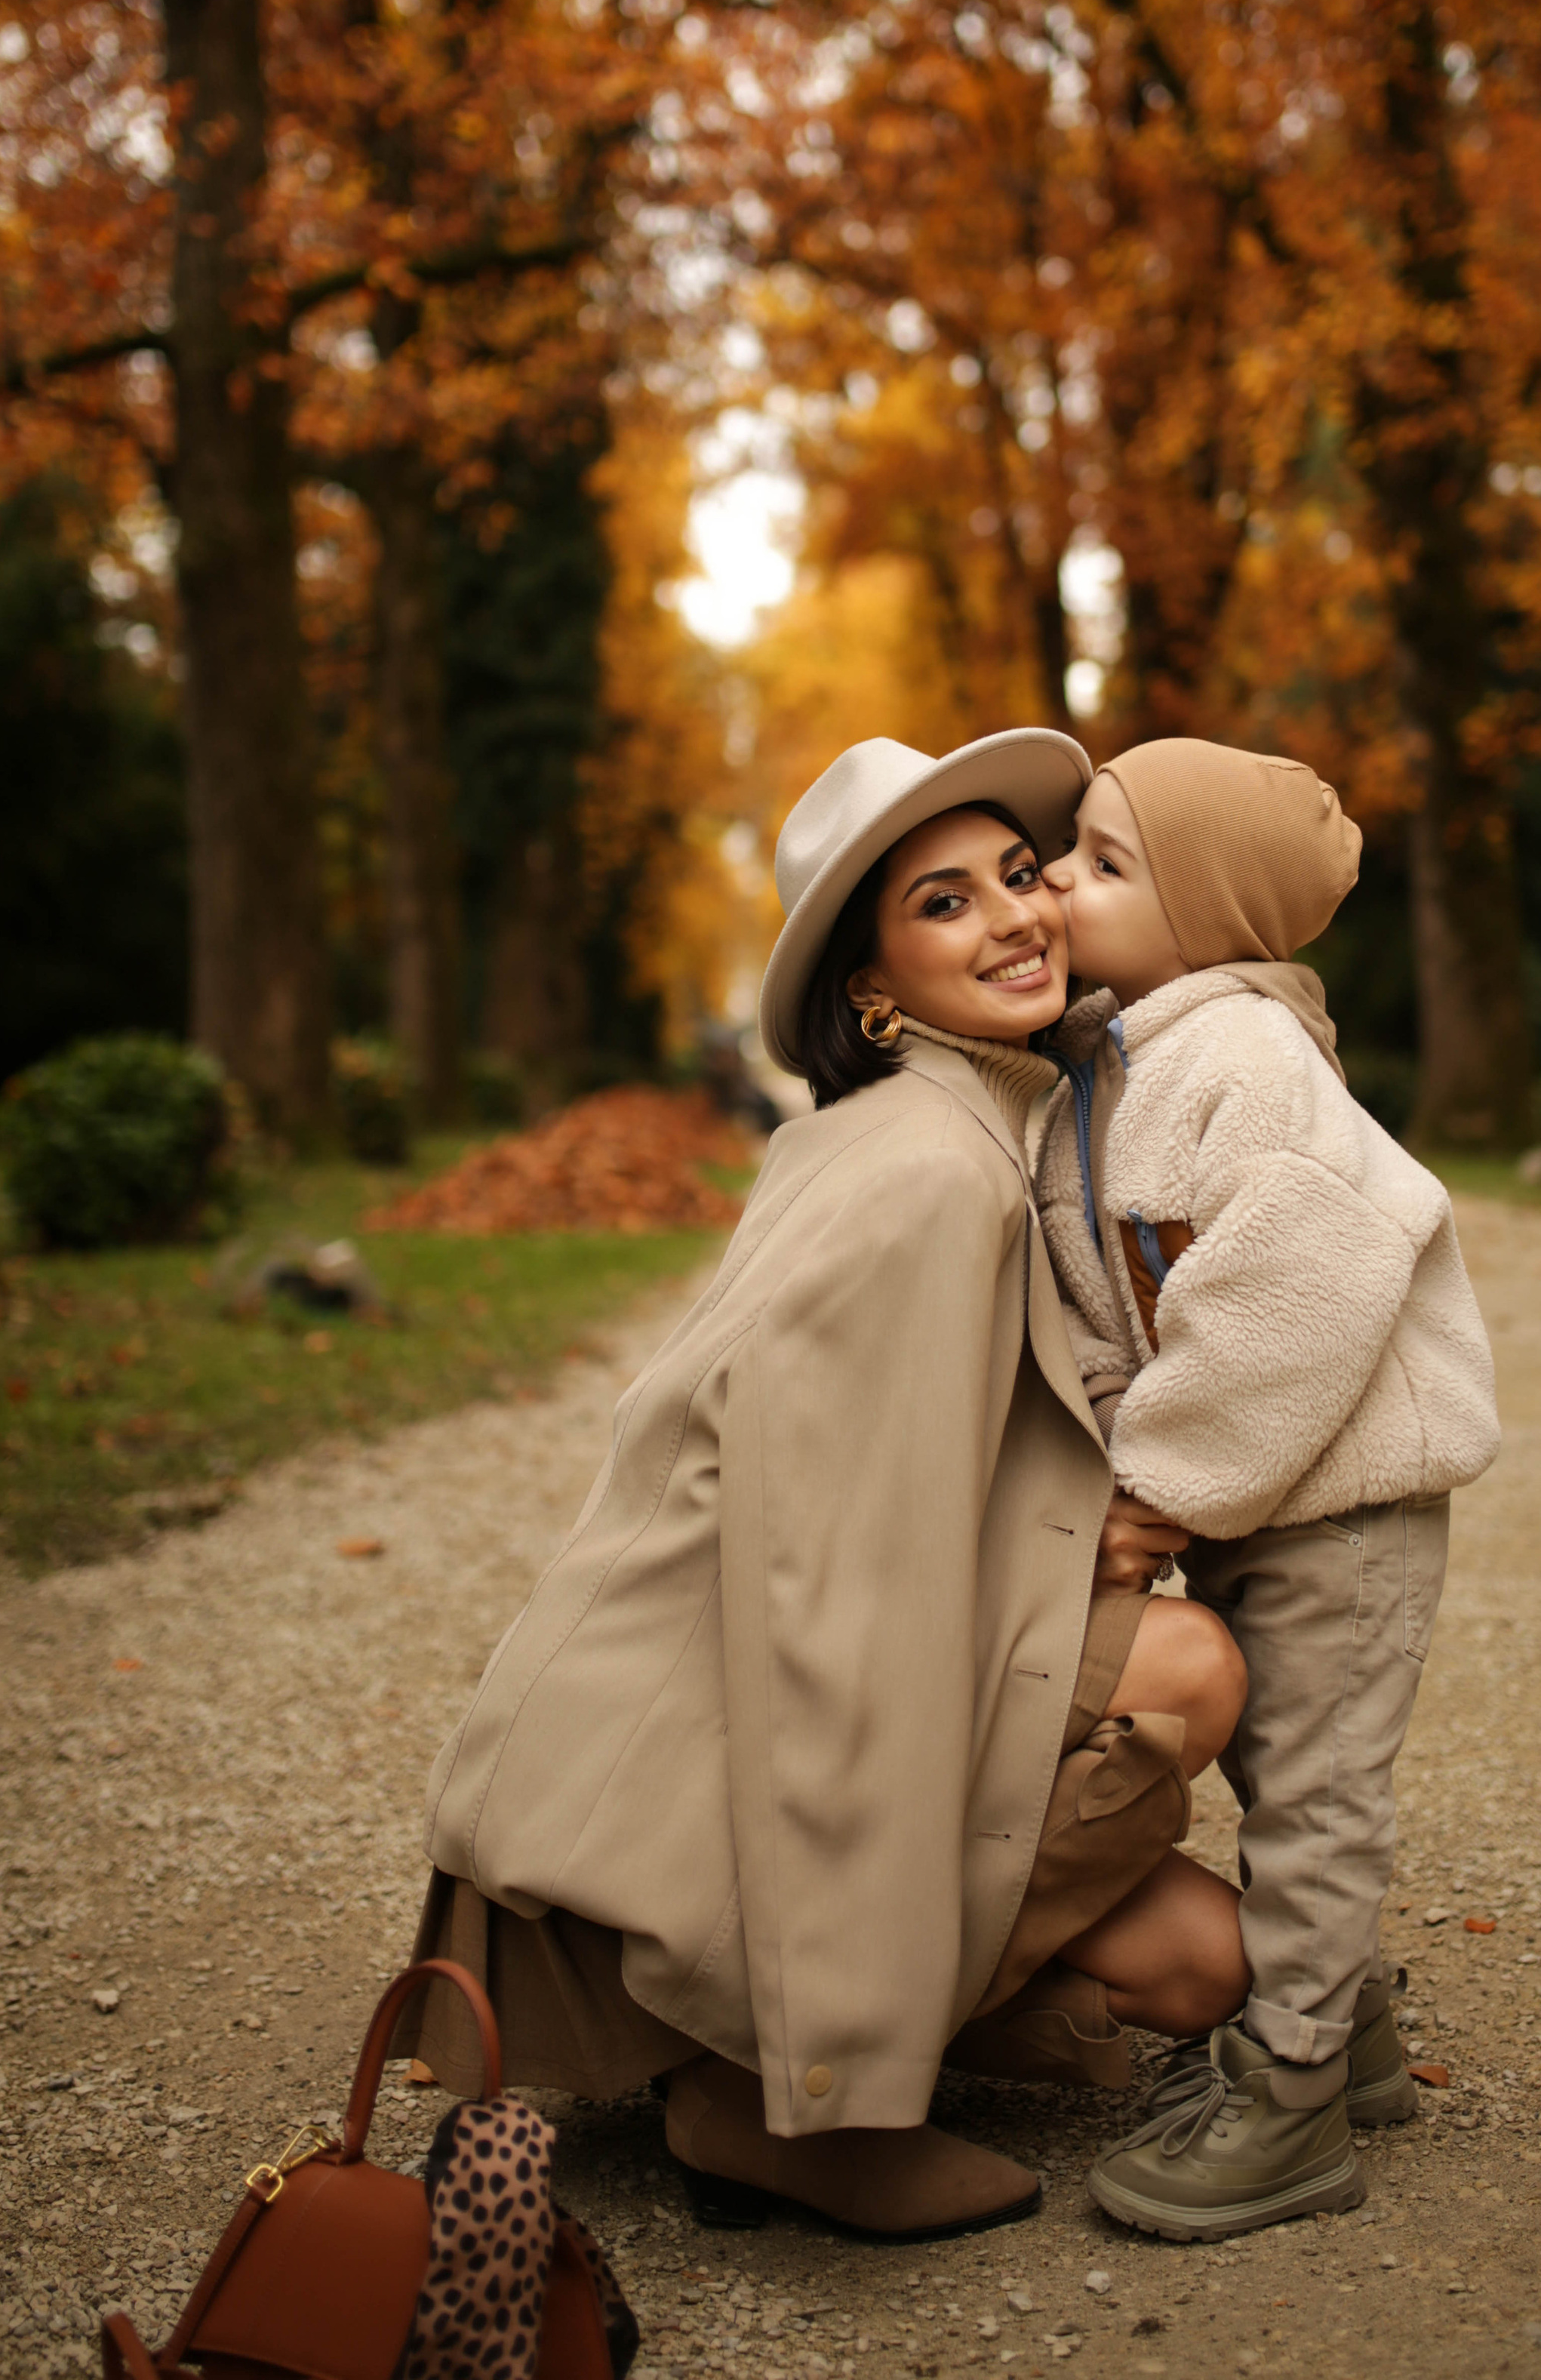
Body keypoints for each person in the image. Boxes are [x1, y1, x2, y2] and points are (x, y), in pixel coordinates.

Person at [397, 731, 1249, 2244]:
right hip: (719, 1746)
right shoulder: (929, 1172)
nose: (1013, 916)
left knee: (1193, 1968)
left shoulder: (952, 1125)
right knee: (1184, 1664)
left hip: (789, 1674)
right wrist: (830, 2058)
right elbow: (832, 1590)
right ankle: (761, 2090)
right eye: (940, 903)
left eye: (1014, 874)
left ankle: (802, 2037)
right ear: (869, 988)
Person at [1032, 738, 1500, 2243]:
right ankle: (1346, 2030)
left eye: (1103, 866)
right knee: (1276, 1776)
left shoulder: (1243, 1063)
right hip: (1268, 1497)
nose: (1056, 882)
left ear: (1212, 923)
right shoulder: (1125, 1052)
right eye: (1072, 848)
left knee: (1313, 1796)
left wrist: (1155, 1485)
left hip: (1342, 1510)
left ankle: (1291, 2098)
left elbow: (1282, 1286)